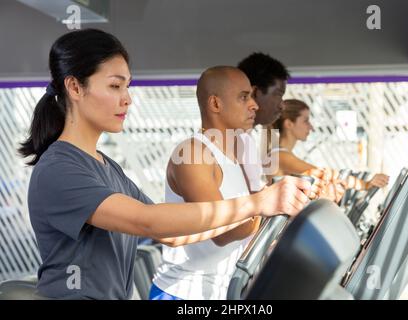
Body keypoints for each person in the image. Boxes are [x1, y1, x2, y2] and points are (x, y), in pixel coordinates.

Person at [18, 29, 311, 300]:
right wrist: (256, 204)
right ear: (75, 88)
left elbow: (171, 232)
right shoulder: (60, 169)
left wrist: (265, 211)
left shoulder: (107, 166)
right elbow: (147, 220)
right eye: (115, 86)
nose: (127, 99)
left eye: (127, 87)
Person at [150, 67, 320, 300]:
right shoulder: (193, 153)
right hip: (183, 294)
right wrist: (269, 204)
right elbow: (221, 232)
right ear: (215, 104)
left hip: (225, 290)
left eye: (251, 96)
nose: (254, 105)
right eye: (243, 97)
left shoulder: (237, 154)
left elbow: (254, 213)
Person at [269, 99, 390, 201]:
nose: (311, 127)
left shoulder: (281, 154)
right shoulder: (280, 155)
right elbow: (323, 173)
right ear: (289, 124)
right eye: (305, 121)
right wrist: (365, 184)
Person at [236, 52, 290, 192]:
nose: (282, 105)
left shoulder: (246, 141)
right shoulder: (229, 141)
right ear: (254, 93)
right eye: (278, 94)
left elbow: (252, 197)